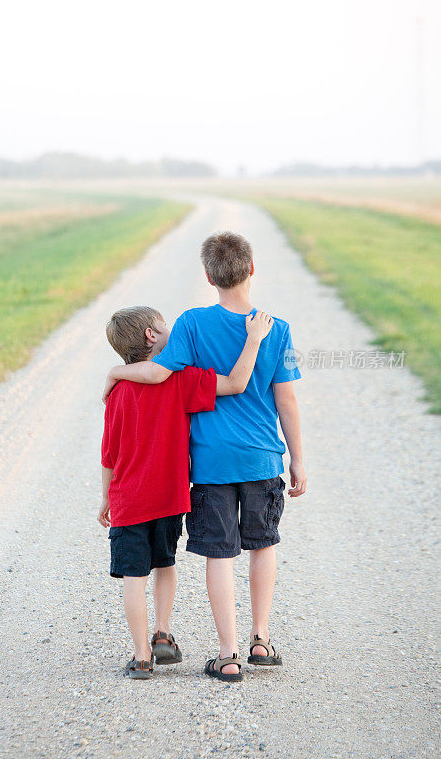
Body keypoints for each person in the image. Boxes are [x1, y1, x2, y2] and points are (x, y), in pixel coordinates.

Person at [103, 232, 307, 682]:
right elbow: (287, 401)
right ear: (252, 269)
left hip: (212, 465)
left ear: (209, 276)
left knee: (220, 555)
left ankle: (228, 654)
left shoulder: (192, 323)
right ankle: (261, 638)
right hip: (262, 459)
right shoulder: (278, 329)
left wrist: (115, 371)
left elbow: (157, 373)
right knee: (263, 544)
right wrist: (297, 458)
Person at [99, 304, 274, 679]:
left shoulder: (116, 393)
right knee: (165, 565)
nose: (172, 330)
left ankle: (142, 655)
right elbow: (235, 382)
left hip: (128, 501)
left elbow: (108, 455)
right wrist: (254, 340)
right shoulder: (181, 380)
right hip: (169, 498)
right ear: (152, 335)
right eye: (165, 325)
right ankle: (163, 631)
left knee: (134, 577)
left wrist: (104, 498)